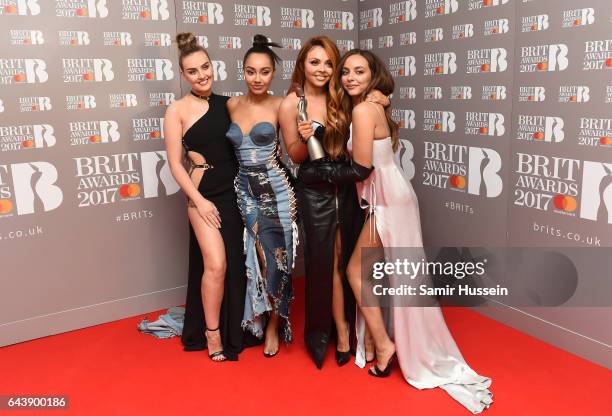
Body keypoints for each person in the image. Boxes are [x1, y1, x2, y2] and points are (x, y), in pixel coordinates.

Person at [307, 49, 493, 413]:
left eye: (359, 71)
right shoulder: (373, 106)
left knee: (359, 272)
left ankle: (385, 345)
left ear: (373, 75)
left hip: (387, 200)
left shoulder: (363, 110)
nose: (350, 78)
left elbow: (360, 170)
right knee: (373, 274)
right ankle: (381, 345)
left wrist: (315, 173)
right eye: (345, 72)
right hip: (389, 197)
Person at [279, 37, 388, 368]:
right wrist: (303, 135)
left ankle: (365, 335)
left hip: (349, 186)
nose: (322, 70)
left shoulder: (343, 95)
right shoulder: (290, 105)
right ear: (302, 64)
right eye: (315, 62)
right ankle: (339, 332)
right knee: (324, 263)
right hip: (315, 192)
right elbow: (298, 157)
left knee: (349, 261)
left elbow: (374, 100)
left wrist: (382, 96)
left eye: (329, 63)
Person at [163, 32, 257, 362]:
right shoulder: (176, 111)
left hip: (236, 192)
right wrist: (199, 201)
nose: (202, 75)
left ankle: (240, 327)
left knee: (237, 266)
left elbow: (259, 117)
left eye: (206, 67)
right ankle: (212, 333)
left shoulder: (229, 103)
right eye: (193, 71)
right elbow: (175, 163)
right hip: (202, 193)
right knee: (215, 265)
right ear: (182, 74)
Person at [226, 35, 297, 357]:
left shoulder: (280, 104)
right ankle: (264, 313)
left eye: (265, 72)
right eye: (251, 71)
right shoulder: (231, 105)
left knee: (277, 257)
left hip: (276, 190)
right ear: (243, 71)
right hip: (245, 190)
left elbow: (294, 150)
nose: (257, 78)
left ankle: (273, 324)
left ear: (273, 74)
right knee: (256, 255)